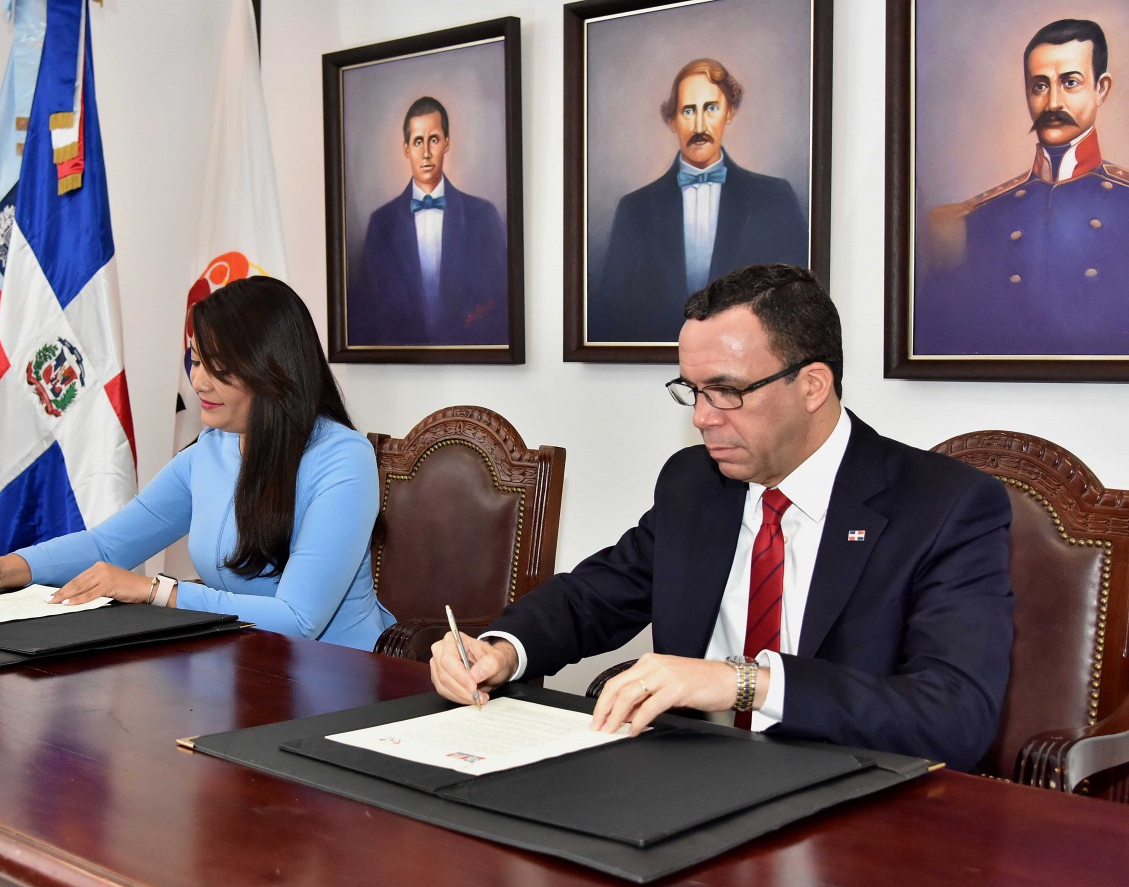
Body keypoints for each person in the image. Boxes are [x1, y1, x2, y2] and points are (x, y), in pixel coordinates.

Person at [431, 264, 1014, 772]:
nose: (703, 419)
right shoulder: (696, 483)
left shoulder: (945, 506)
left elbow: (954, 717)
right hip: (692, 782)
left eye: (726, 391)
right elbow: (596, 597)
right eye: (693, 392)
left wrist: (745, 682)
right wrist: (502, 649)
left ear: (813, 385)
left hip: (853, 800)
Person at [0, 276, 395, 651]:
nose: (198, 381)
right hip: (239, 669)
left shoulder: (343, 459)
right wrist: (2, 569)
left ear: (271, 369)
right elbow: (110, 546)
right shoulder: (210, 451)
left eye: (219, 366)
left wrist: (155, 590)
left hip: (339, 679)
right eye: (196, 361)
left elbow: (299, 619)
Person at [917, 19, 1129, 355]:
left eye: (1070, 83)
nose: (1053, 104)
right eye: (1040, 86)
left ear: (1101, 88)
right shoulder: (975, 220)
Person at [589, 59, 808, 344]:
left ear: (729, 112)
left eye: (711, 108)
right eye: (688, 111)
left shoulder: (774, 198)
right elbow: (612, 315)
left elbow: (799, 310)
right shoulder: (634, 209)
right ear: (672, 120)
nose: (700, 124)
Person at [347, 95, 509, 347]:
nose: (425, 153)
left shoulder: (483, 216)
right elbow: (369, 316)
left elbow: (499, 305)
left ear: (446, 143)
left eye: (433, 140)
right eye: (417, 141)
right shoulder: (381, 224)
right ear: (406, 149)